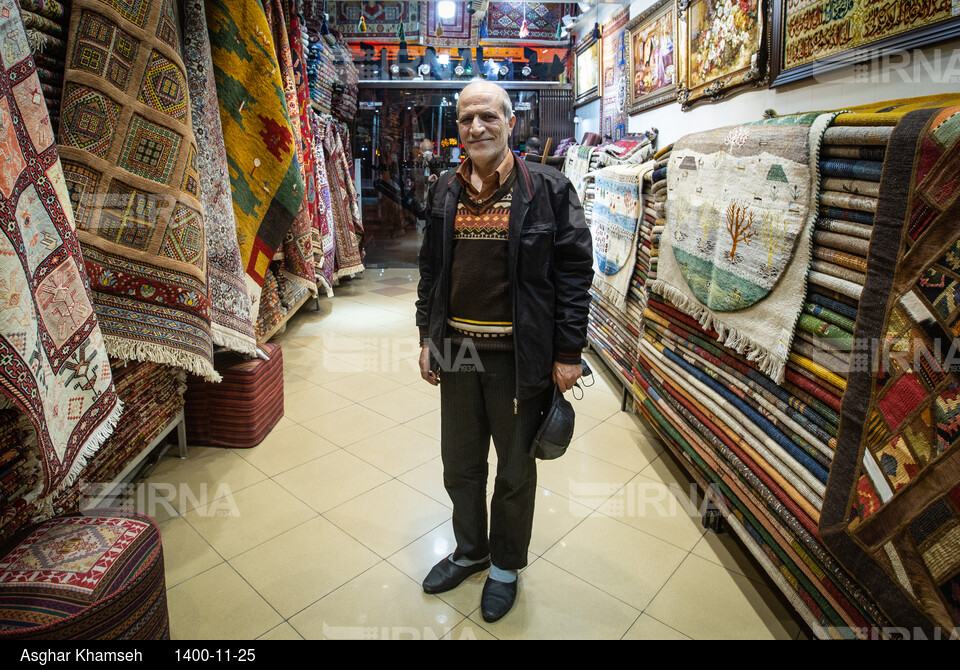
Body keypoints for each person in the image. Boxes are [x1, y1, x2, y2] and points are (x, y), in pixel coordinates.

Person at [415, 80, 593, 623]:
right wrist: (427, 336)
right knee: (460, 464)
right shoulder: (444, 190)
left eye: (488, 117)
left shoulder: (548, 189)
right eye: (467, 118)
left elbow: (573, 274)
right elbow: (431, 271)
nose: (476, 127)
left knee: (515, 469)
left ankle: (505, 567)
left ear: (510, 122)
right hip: (459, 353)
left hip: (521, 357)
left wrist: (567, 352)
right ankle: (472, 550)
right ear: (458, 126)